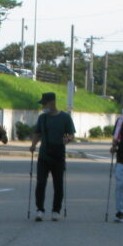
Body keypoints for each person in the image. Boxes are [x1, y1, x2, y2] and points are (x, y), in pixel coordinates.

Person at [29, 92, 76, 222]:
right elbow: (37, 133)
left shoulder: (65, 117)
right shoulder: (42, 118)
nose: (43, 106)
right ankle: (40, 209)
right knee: (41, 182)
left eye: (45, 104)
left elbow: (71, 134)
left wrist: (68, 139)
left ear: (52, 103)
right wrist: (33, 145)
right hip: (44, 154)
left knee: (58, 184)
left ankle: (56, 210)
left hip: (58, 154)